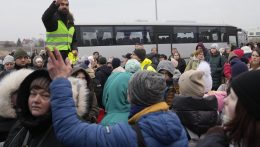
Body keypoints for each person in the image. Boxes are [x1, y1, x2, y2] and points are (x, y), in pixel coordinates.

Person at [46, 48, 188, 147]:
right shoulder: (178, 125)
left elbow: (70, 132)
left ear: (131, 96)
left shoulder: (125, 134)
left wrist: (60, 81)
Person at [4, 69, 90, 147]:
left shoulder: (70, 132)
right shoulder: (21, 125)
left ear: (57, 99)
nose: (36, 100)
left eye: (45, 95)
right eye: (33, 93)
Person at [197, 70, 260, 147]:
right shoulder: (216, 138)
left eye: (232, 98)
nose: (225, 100)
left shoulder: (216, 141)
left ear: (248, 109)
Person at [101, 59, 141, 125]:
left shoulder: (113, 76)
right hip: (123, 117)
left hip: (108, 114)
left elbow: (105, 96)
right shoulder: (132, 79)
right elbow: (135, 101)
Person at [0, 69, 33, 142]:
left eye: (30, 92)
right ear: (9, 96)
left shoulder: (33, 120)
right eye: (19, 92)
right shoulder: (4, 122)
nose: (24, 96)